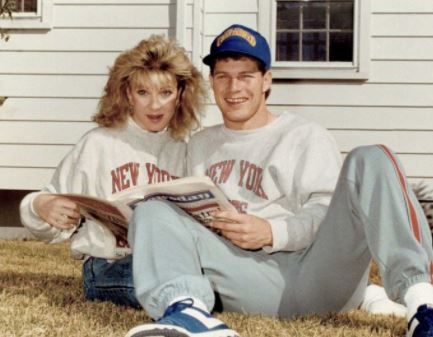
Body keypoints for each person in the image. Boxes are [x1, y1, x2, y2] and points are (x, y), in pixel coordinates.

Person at [125, 24, 433, 337]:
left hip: (316, 274)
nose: (234, 88)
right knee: (153, 208)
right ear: (212, 82)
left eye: (245, 75)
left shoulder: (304, 136)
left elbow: (324, 209)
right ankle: (188, 314)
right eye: (223, 76)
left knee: (372, 157)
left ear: (266, 81)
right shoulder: (200, 144)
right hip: (246, 280)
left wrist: (272, 232)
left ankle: (423, 305)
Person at [19, 35, 207, 308]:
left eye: (165, 93)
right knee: (153, 281)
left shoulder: (184, 149)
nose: (155, 106)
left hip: (168, 261)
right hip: (108, 265)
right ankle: (186, 298)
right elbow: (45, 208)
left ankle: (186, 297)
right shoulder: (99, 143)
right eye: (143, 93)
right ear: (128, 94)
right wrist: (40, 205)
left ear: (180, 95)